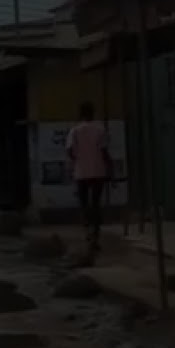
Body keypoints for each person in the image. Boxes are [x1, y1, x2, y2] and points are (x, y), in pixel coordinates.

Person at [66, 101, 112, 254]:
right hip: (98, 172)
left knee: (84, 204)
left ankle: (87, 234)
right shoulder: (100, 129)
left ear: (81, 114)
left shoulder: (75, 131)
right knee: (96, 204)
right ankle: (96, 237)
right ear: (93, 113)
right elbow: (105, 152)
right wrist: (109, 169)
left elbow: (70, 151)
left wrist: (78, 159)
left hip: (81, 173)